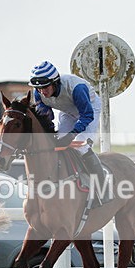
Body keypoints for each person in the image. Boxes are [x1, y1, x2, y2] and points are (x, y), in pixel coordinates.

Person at [28, 60, 106, 188]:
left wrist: (72, 135)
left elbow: (87, 115)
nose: (42, 92)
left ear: (55, 82)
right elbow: (45, 117)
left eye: (45, 87)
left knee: (80, 146)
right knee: (57, 144)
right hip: (67, 111)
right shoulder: (38, 93)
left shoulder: (77, 88)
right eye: (39, 88)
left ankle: (101, 185)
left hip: (89, 109)